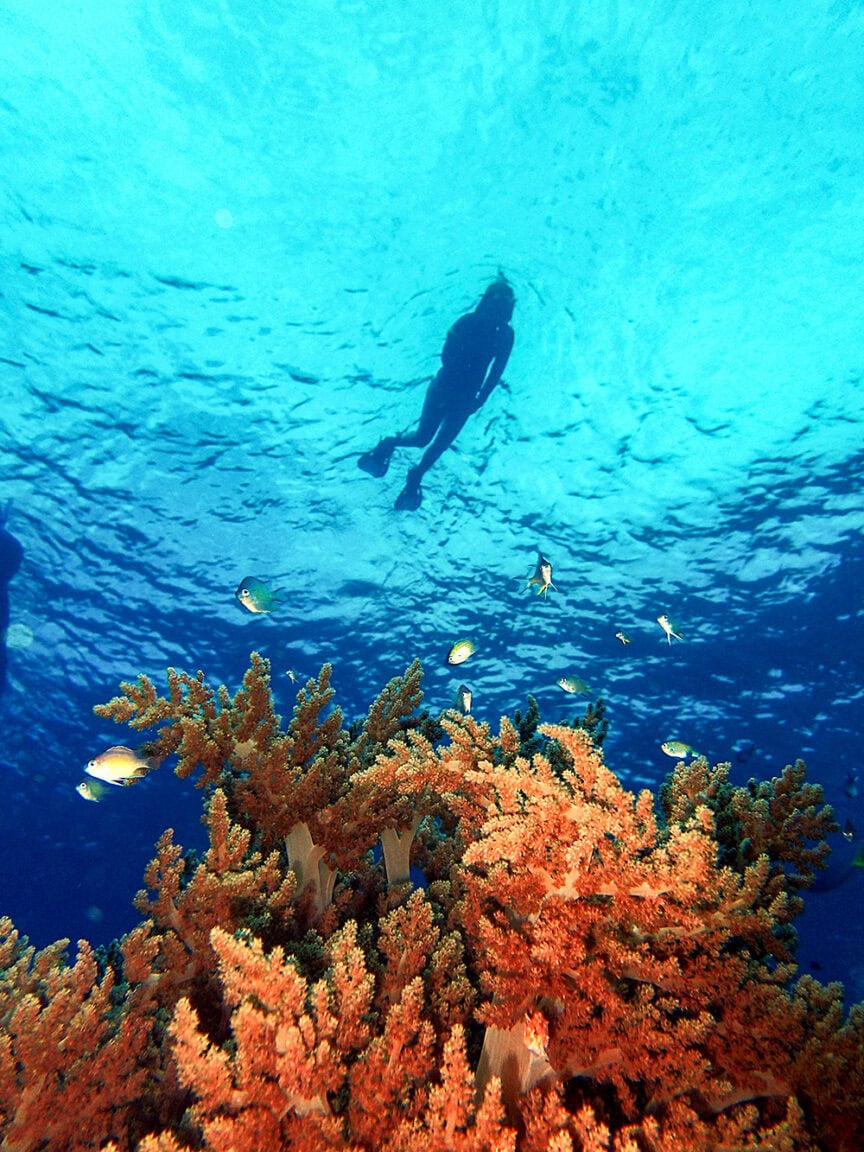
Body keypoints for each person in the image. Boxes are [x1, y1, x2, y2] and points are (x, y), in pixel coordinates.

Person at [358, 277, 516, 510]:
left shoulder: (505, 334)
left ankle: (416, 476)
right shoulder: (467, 322)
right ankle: (389, 444)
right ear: (486, 303)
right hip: (445, 388)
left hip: (465, 396)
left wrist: (480, 398)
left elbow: (497, 369)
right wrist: (466, 388)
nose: (498, 309)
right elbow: (447, 356)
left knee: (440, 444)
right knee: (423, 439)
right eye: (496, 303)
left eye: (503, 304)